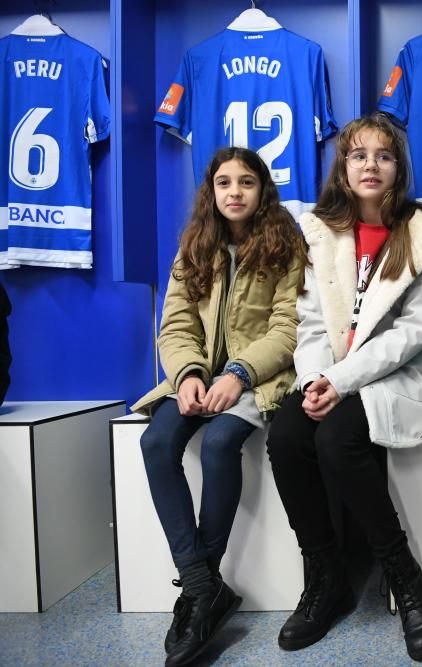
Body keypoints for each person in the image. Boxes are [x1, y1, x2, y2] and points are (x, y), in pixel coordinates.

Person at [265, 113, 422, 662]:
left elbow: (413, 334)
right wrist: (318, 380)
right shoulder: (318, 231)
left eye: (384, 155)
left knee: (337, 440)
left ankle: (405, 575)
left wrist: (340, 381)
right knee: (286, 438)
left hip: (395, 372)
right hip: (329, 368)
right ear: (342, 167)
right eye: (358, 154)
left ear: (399, 168)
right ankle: (326, 579)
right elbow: (312, 322)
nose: (370, 165)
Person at [132, 146, 306, 666]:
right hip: (199, 379)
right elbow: (176, 325)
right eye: (224, 182)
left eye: (246, 182)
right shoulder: (194, 248)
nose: (234, 192)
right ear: (211, 191)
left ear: (262, 190)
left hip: (260, 379)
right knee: (156, 441)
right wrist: (186, 375)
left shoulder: (286, 246)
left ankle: (198, 592)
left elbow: (288, 326)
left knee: (221, 444)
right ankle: (202, 586)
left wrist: (240, 373)